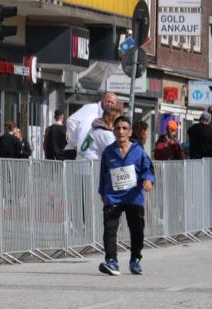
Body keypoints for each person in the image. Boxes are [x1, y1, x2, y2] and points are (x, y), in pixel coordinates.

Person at [98, 115, 155, 276]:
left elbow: (148, 169)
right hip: (113, 196)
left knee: (137, 231)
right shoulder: (108, 152)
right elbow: (103, 173)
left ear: (130, 132)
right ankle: (111, 261)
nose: (121, 131)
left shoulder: (138, 151)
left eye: (124, 128)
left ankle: (135, 260)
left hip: (133, 196)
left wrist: (148, 181)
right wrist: (102, 191)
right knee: (110, 230)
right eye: (117, 128)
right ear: (113, 131)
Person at [65, 92, 118, 160]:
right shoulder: (91, 108)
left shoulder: (108, 116)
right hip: (76, 152)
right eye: (108, 101)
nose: (110, 104)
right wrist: (76, 144)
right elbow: (71, 121)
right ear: (103, 100)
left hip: (89, 154)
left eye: (112, 103)